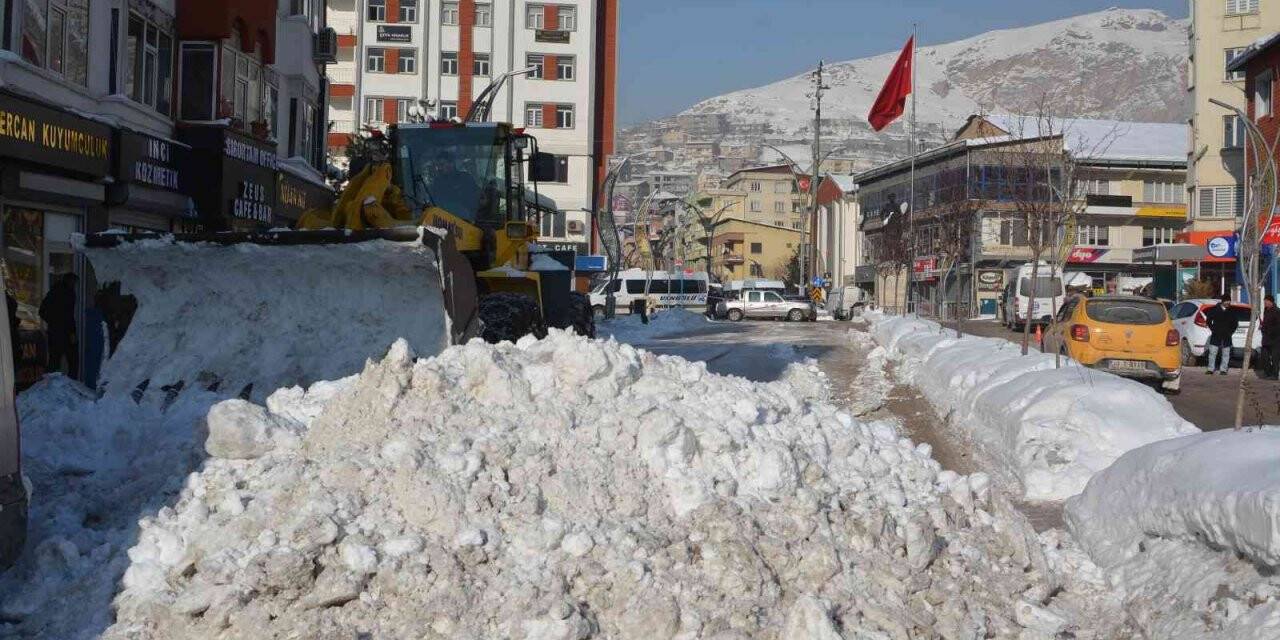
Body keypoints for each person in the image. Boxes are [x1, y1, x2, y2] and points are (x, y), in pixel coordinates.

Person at [39, 272, 79, 379]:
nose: (74, 285)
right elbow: (68, 315)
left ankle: (50, 384)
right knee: (72, 360)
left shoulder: (54, 292)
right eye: (73, 282)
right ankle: (69, 384)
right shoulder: (67, 293)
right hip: (63, 332)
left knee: (55, 360)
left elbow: (42, 311)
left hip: (56, 331)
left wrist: (53, 322)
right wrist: (72, 332)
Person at [1203, 294, 1239, 376]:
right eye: (1226, 301)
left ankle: (1223, 369)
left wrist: (1230, 332)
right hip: (1216, 335)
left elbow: (1235, 323)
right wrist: (1213, 329)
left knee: (1226, 353)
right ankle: (1210, 369)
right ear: (1222, 301)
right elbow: (1208, 320)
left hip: (1227, 336)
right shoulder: (1215, 310)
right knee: (1212, 353)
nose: (1228, 303)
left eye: (1229, 301)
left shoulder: (1231, 311)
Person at [1262, 297, 1280, 379]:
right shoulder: (1266, 310)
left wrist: (1270, 331)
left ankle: (1275, 375)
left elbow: (1278, 325)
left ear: (1271, 302)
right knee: (1264, 356)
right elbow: (1265, 322)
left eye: (1266, 301)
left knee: (1275, 357)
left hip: (1275, 339)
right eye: (1264, 301)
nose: (1265, 303)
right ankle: (1268, 372)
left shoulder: (1277, 311)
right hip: (1266, 338)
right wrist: (1262, 327)